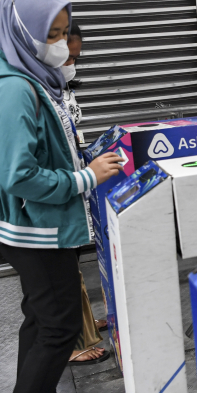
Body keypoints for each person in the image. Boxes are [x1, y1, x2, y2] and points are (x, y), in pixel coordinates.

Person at [0, 0, 123, 393]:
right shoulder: (14, 89)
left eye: (64, 33)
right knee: (57, 329)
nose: (60, 44)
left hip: (37, 227)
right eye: (52, 35)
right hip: (34, 230)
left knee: (39, 323)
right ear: (22, 33)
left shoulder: (25, 75)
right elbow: (19, 174)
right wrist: (87, 177)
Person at [60, 22, 112, 366]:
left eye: (76, 57)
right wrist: (83, 177)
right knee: (61, 273)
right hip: (59, 192)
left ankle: (83, 324)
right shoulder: (33, 92)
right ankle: (74, 338)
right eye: (67, 56)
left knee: (74, 265)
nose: (72, 64)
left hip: (74, 180)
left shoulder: (61, 88)